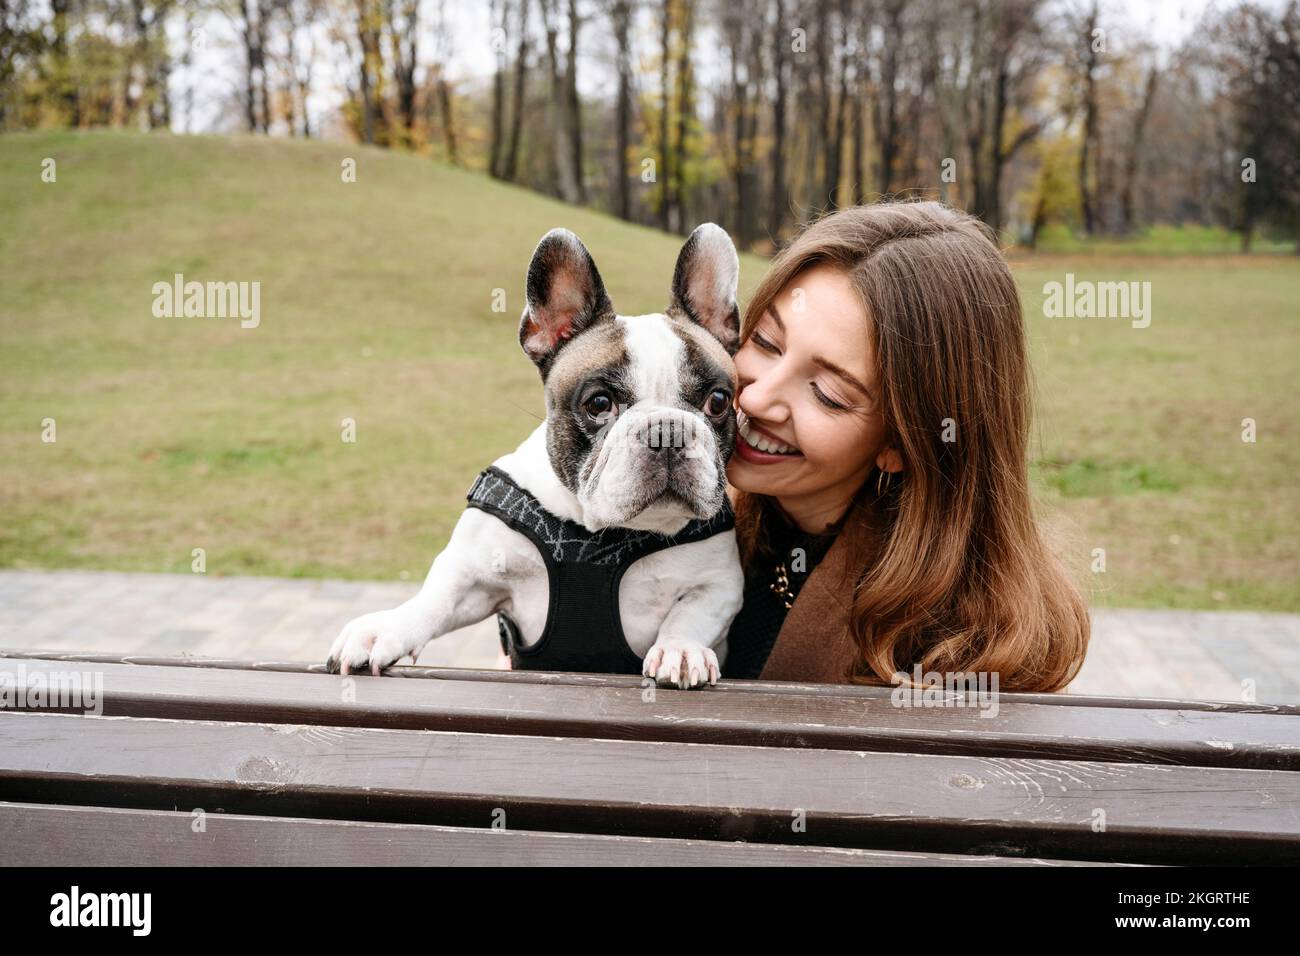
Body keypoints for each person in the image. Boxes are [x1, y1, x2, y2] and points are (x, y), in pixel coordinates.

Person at [722, 200, 1090, 691]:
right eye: (766, 343)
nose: (757, 396)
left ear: (902, 442)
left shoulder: (951, 653)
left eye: (829, 394)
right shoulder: (681, 522)